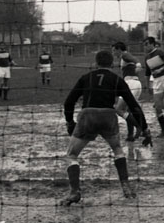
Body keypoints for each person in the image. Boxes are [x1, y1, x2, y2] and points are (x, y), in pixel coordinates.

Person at [62, 49, 152, 206]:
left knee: (72, 155)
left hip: (88, 116)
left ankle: (74, 191)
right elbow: (134, 105)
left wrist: (70, 122)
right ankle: (125, 185)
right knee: (117, 150)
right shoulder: (117, 79)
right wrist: (145, 129)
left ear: (96, 63)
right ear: (112, 63)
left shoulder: (86, 77)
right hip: (108, 116)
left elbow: (68, 102)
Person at [111, 41, 144, 141]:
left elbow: (134, 59)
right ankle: (130, 135)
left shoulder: (124, 55)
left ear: (119, 49)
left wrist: (138, 65)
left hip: (131, 84)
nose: (113, 53)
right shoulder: (124, 57)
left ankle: (139, 126)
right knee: (128, 111)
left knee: (118, 109)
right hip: (135, 84)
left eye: (114, 50)